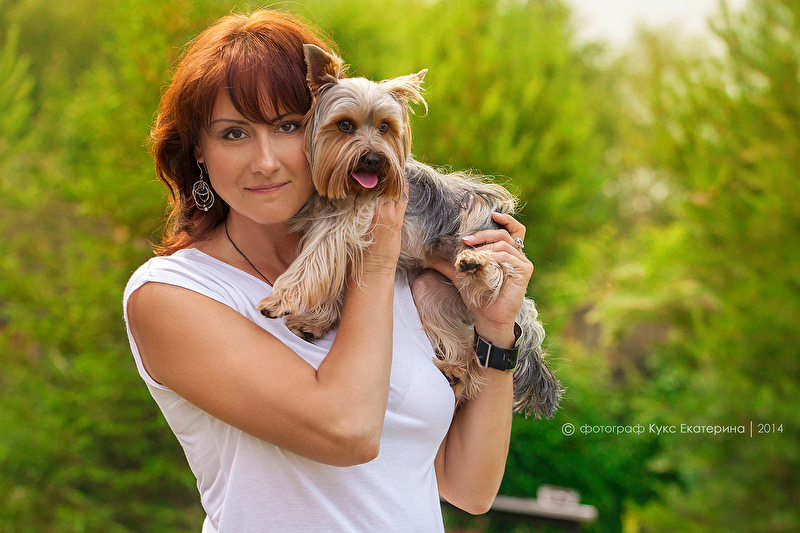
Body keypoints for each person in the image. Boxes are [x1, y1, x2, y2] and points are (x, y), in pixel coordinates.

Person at [123, 9, 534, 532]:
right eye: (234, 134)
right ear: (198, 150)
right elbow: (349, 431)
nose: (265, 160)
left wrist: (495, 328)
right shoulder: (172, 295)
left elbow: (470, 489)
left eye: (288, 126)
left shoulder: (414, 281)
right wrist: (375, 260)